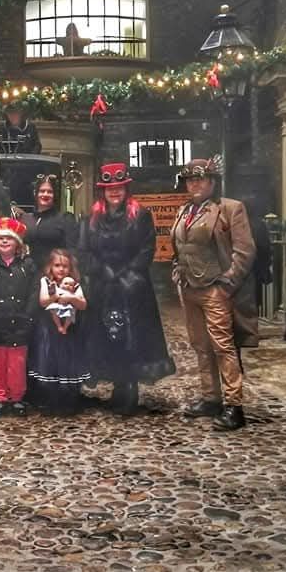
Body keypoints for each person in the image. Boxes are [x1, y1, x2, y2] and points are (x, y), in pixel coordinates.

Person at [79, 163, 174, 415]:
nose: (114, 192)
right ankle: (117, 385)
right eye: (110, 188)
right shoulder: (91, 219)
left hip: (132, 288)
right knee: (106, 336)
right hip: (102, 287)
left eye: (119, 187)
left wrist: (126, 275)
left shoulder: (141, 215)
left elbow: (147, 248)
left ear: (126, 188)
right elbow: (84, 251)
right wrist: (102, 271)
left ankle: (130, 387)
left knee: (132, 338)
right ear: (103, 191)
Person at [171, 156, 257, 431]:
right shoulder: (184, 211)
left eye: (200, 179)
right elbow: (179, 247)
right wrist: (177, 270)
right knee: (200, 345)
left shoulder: (230, 209)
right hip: (189, 287)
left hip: (214, 289)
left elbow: (245, 251)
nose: (194, 184)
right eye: (190, 180)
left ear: (212, 181)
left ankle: (234, 405)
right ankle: (211, 398)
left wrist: (227, 282)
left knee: (223, 346)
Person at [0, 217, 39, 418]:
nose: (4, 242)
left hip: (19, 323)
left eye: (8, 239)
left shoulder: (27, 265)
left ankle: (17, 397)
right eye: (0, 238)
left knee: (16, 364)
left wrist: (27, 315)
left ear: (17, 243)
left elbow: (34, 291)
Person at [27, 249, 90, 415]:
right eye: (57, 265)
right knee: (51, 361)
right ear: (50, 266)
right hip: (50, 329)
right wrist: (55, 297)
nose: (61, 269)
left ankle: (69, 399)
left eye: (65, 266)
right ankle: (51, 400)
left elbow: (83, 304)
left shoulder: (75, 283)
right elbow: (43, 301)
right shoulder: (46, 282)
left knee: (68, 361)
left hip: (70, 331)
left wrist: (70, 298)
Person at [21, 173, 78, 269]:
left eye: (50, 192)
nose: (45, 194)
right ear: (36, 193)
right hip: (29, 274)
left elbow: (72, 252)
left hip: (54, 274)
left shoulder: (65, 219)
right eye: (42, 191)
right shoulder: (25, 219)